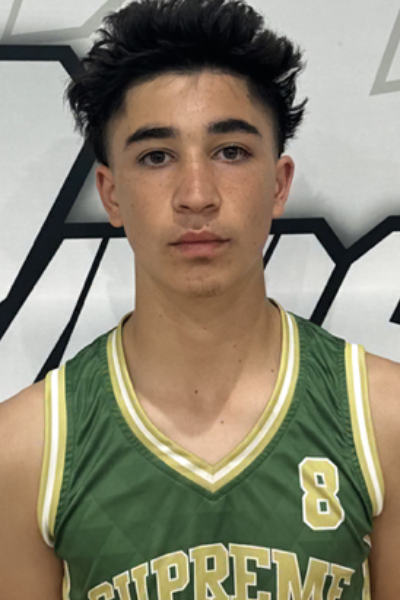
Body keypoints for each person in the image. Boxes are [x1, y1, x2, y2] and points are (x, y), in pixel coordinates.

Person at [1, 0, 399, 597]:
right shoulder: (26, 449)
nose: (196, 194)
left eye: (230, 151)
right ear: (111, 195)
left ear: (279, 184)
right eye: (156, 156)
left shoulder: (384, 419)